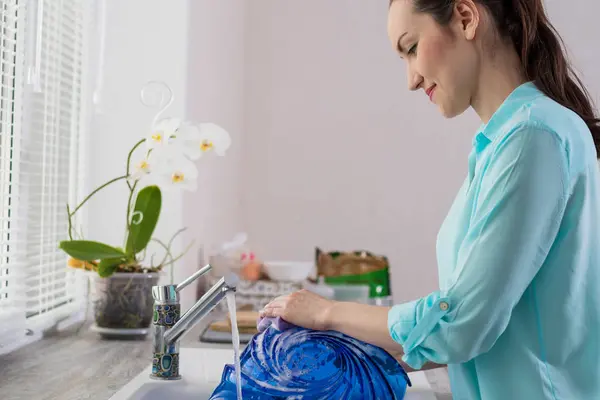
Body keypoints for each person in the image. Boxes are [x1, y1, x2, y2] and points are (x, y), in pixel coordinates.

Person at [259, 0, 600, 398]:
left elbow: (461, 324)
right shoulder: (506, 142)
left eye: (412, 48)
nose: (411, 79)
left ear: (466, 18)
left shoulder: (533, 137)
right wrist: (336, 340)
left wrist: (327, 313)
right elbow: (481, 330)